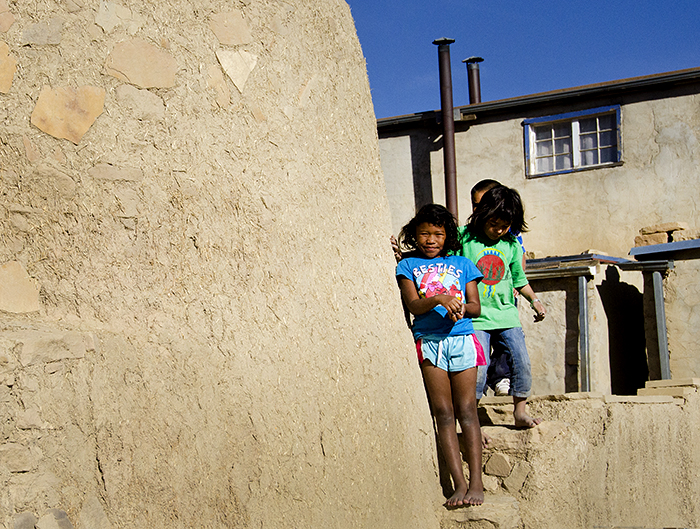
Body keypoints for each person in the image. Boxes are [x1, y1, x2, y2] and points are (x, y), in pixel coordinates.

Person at [395, 204, 485, 507]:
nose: (430, 240)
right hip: (430, 343)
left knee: (467, 411)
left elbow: (476, 307)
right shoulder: (407, 266)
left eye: (438, 234)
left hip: (461, 340)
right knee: (443, 414)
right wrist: (437, 297)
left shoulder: (462, 264)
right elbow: (413, 306)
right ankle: (458, 485)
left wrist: (459, 306)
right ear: (414, 235)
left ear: (447, 236)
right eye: (424, 234)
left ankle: (477, 484)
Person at [458, 185, 545, 428]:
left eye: (504, 226)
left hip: (507, 315)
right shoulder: (464, 238)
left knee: (521, 362)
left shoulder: (511, 245)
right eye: (494, 223)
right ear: (482, 214)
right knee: (478, 369)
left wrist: (535, 301)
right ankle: (471, 420)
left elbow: (520, 280)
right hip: (477, 317)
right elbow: (440, 257)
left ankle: (519, 411)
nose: (498, 230)